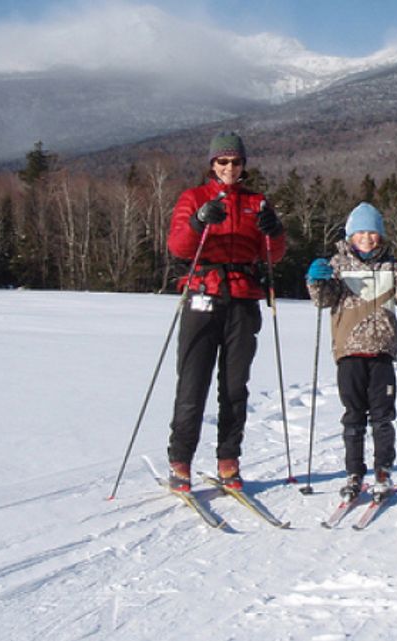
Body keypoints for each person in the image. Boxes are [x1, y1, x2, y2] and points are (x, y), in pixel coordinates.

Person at [165, 131, 286, 492]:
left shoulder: (256, 201)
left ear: (244, 164)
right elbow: (179, 247)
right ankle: (181, 460)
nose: (229, 168)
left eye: (235, 162)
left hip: (243, 298)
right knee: (193, 383)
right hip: (203, 295)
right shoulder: (194, 197)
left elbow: (273, 254)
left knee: (235, 387)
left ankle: (228, 460)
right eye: (222, 162)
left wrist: (274, 232)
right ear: (211, 165)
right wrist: (199, 221)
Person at [305, 202, 397, 501]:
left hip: (382, 352)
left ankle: (383, 472)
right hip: (348, 352)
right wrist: (316, 280)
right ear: (349, 236)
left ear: (381, 236)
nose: (367, 238)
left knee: (383, 417)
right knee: (353, 417)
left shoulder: (391, 267)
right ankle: (354, 473)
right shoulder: (337, 266)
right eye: (360, 232)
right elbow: (323, 301)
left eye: (372, 233)